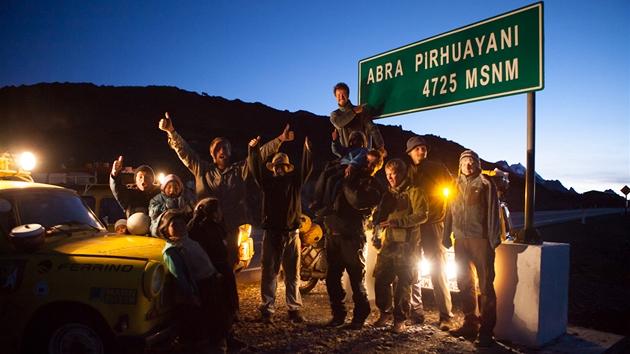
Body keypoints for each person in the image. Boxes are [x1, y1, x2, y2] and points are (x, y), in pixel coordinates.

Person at [158, 112, 294, 272]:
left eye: (225, 147)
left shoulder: (240, 170)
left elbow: (259, 155)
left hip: (232, 227)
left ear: (230, 152)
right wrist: (171, 132)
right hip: (206, 228)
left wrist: (280, 139)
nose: (221, 150)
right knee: (204, 264)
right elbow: (184, 151)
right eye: (217, 148)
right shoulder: (201, 169)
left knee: (230, 264)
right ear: (211, 153)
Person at [248, 135, 313, 324]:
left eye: (282, 166)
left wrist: (307, 151)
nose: (279, 168)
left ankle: (294, 309)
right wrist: (253, 150)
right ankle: (267, 309)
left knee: (293, 274)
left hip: (292, 234)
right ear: (273, 168)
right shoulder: (266, 184)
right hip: (271, 234)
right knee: (269, 272)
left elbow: (307, 169)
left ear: (287, 168)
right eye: (276, 166)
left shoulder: (295, 183)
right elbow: (254, 170)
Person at [443, 150, 502, 348]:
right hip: (460, 240)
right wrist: (446, 235)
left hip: (481, 240)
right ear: (459, 165)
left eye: (472, 162)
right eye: (465, 162)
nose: (468, 166)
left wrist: (493, 239)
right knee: (464, 282)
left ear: (477, 164)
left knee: (485, 284)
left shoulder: (485, 183)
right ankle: (470, 322)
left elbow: (494, 211)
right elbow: (448, 209)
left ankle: (486, 331)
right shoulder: (454, 184)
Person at [323, 149, 384, 329]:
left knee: (356, 278)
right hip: (332, 234)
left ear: (377, 168)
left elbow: (356, 200)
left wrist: (348, 180)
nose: (368, 165)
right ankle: (338, 315)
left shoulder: (374, 186)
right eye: (367, 161)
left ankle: (359, 317)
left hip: (352, 238)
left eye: (373, 164)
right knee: (332, 278)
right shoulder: (345, 175)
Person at [157, 209, 231, 353]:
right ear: (166, 230)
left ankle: (220, 343)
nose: (180, 227)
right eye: (174, 225)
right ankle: (207, 347)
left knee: (215, 315)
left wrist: (215, 273)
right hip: (198, 287)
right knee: (202, 320)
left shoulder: (190, 242)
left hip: (209, 282)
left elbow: (205, 260)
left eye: (182, 223)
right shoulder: (172, 250)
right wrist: (189, 295)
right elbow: (178, 275)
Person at [372, 158, 428, 333]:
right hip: (389, 243)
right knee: (381, 278)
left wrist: (399, 222)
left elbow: (422, 215)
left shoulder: (415, 191)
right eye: (387, 174)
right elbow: (380, 219)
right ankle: (385, 312)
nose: (389, 177)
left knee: (404, 283)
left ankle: (400, 320)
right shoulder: (388, 194)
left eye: (393, 173)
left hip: (408, 244)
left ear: (403, 173)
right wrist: (377, 236)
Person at [405, 136, 454, 330]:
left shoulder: (438, 168)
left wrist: (448, 224)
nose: (421, 151)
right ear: (409, 153)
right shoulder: (405, 172)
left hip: (434, 224)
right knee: (412, 270)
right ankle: (415, 313)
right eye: (416, 149)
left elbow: (452, 194)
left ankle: (446, 316)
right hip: (413, 227)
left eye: (423, 148)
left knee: (439, 270)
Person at [188, 197, 246, 351]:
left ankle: (229, 336)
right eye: (218, 209)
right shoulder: (202, 228)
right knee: (218, 307)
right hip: (214, 271)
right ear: (213, 213)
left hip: (222, 268)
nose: (221, 212)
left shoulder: (215, 225)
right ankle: (219, 340)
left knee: (226, 305)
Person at [310, 130, 369, 213]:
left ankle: (328, 206)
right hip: (339, 165)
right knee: (324, 174)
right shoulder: (348, 150)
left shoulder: (364, 150)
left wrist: (351, 165)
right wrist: (335, 140)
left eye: (355, 139)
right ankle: (317, 200)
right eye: (351, 139)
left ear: (362, 141)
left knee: (332, 180)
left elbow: (359, 158)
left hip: (347, 167)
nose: (352, 141)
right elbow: (338, 150)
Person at [330, 82, 386, 157]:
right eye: (338, 95)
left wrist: (380, 146)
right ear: (335, 97)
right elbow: (339, 123)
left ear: (348, 95)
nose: (341, 97)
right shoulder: (335, 114)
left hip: (363, 155)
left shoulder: (361, 111)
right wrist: (354, 111)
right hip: (346, 156)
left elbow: (372, 128)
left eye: (343, 94)